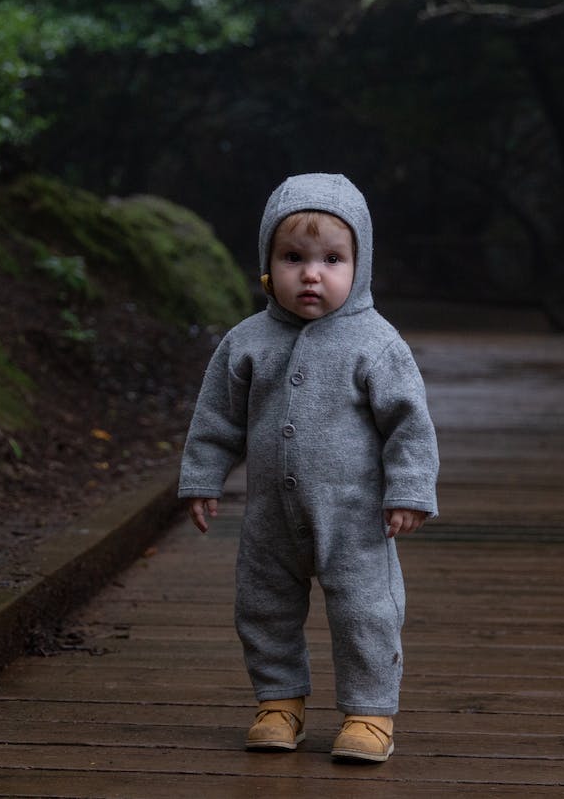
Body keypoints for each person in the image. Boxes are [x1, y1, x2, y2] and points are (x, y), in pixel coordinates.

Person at [179, 172, 440, 764]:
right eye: (293, 257)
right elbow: (217, 418)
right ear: (269, 264)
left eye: (332, 259)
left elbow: (409, 423)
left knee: (365, 613)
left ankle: (370, 711)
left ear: (361, 264)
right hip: (271, 517)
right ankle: (280, 703)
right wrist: (202, 476)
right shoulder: (247, 341)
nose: (312, 274)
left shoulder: (376, 343)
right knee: (263, 606)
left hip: (355, 519)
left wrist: (410, 488)